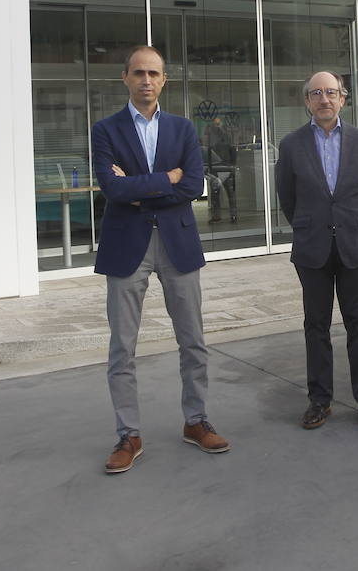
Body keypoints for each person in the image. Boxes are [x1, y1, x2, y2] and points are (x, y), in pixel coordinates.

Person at [91, 45, 230, 473]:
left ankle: (196, 420)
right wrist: (164, 179)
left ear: (164, 80)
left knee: (193, 340)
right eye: (139, 73)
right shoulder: (105, 130)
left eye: (154, 73)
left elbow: (192, 185)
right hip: (125, 245)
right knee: (122, 347)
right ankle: (128, 434)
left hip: (177, 243)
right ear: (125, 78)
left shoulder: (183, 129)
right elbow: (111, 190)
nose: (146, 80)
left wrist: (138, 186)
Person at [275, 71, 358, 430]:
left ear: (343, 98)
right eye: (316, 93)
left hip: (354, 244)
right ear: (307, 101)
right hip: (312, 247)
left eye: (331, 92)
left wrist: (352, 221)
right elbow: (287, 196)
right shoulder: (291, 145)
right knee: (316, 325)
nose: (324, 99)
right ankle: (319, 400)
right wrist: (310, 224)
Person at [203, 115, 238, 223]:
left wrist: (232, 165)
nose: (217, 127)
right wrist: (209, 168)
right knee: (215, 194)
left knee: (230, 193)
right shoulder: (212, 138)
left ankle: (233, 214)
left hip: (226, 168)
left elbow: (233, 150)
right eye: (215, 124)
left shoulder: (227, 136)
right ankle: (217, 215)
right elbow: (208, 152)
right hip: (216, 169)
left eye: (218, 124)